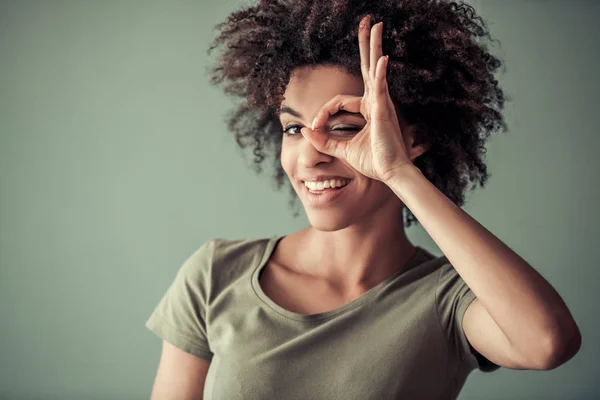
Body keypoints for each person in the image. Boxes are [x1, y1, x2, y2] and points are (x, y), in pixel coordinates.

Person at [145, 1, 582, 399]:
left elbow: (547, 343)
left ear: (415, 138)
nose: (311, 156)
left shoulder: (445, 299)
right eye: (294, 128)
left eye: (344, 126)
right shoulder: (216, 274)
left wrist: (397, 172)